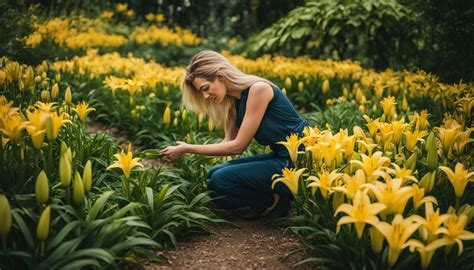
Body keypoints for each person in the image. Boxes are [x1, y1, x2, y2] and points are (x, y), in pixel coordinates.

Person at [160, 50, 309, 219]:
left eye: (206, 88)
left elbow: (238, 147)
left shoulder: (258, 89)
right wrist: (188, 153)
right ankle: (278, 198)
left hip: (301, 158)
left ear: (221, 76)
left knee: (221, 179)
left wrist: (187, 149)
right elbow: (227, 142)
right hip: (281, 156)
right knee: (214, 174)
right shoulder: (233, 103)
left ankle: (271, 200)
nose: (205, 96)